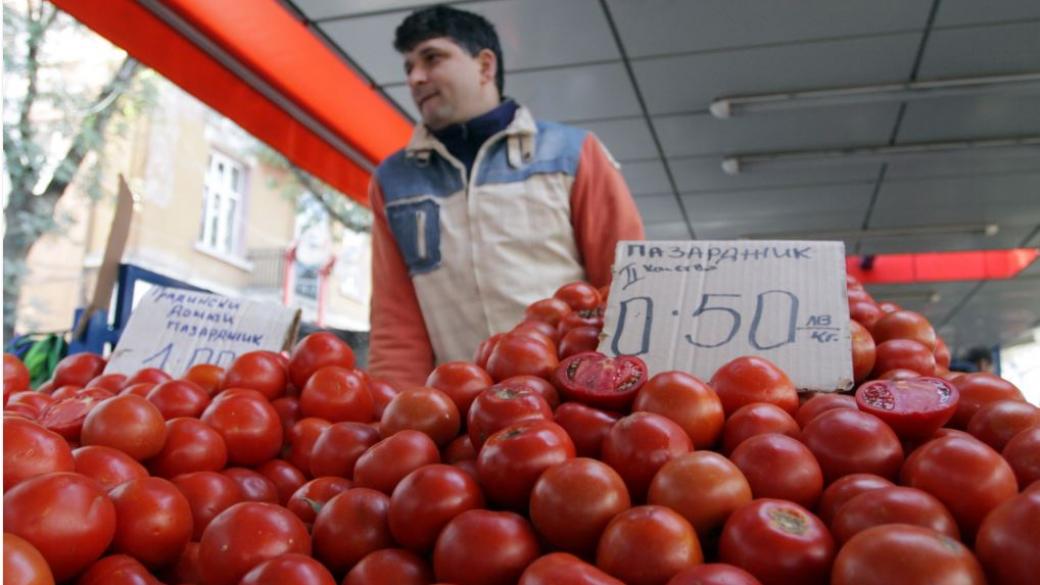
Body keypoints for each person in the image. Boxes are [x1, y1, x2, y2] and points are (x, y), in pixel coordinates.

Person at [367, 5, 645, 388]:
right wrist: (396, 418)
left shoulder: (575, 153)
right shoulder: (392, 180)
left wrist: (621, 390)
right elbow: (395, 323)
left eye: (432, 58)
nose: (416, 77)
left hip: (574, 406)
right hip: (462, 415)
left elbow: (627, 288)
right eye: (409, 67)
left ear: (485, 66)